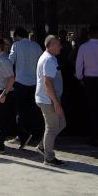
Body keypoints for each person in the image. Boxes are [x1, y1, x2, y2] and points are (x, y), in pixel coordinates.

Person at [9, 27, 42, 149]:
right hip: (34, 82)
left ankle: (22, 135)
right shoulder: (36, 46)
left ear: (17, 36)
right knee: (34, 109)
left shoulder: (16, 46)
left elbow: (10, 61)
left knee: (21, 111)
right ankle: (36, 133)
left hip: (21, 81)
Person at [36, 35, 66, 166]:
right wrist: (56, 103)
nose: (60, 47)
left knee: (61, 124)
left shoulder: (49, 58)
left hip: (49, 99)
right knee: (53, 127)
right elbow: (47, 83)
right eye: (58, 44)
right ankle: (48, 157)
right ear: (52, 45)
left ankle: (44, 145)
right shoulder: (48, 60)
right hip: (48, 100)